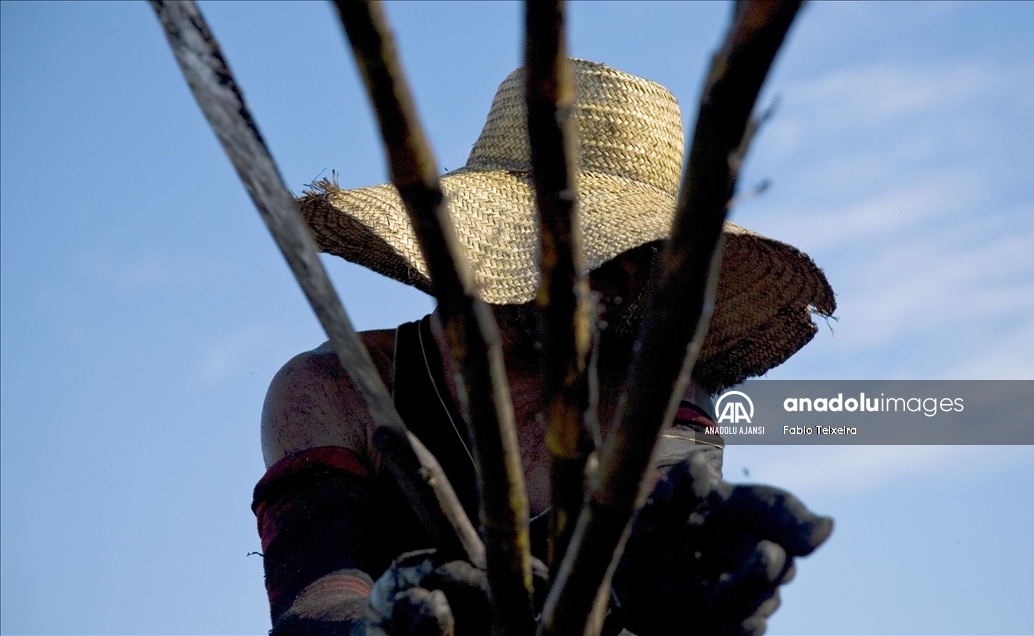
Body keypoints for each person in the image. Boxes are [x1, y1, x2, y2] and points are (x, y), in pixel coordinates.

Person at [252, 60, 836, 636]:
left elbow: (664, 554)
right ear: (483, 237)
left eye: (631, 254)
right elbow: (317, 595)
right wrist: (376, 626)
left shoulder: (659, 405)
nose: (607, 276)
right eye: (575, 247)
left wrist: (679, 590)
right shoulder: (339, 387)